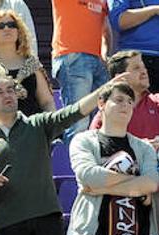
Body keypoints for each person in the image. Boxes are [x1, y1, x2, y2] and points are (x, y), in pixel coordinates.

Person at [0, 73, 126, 235]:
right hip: (10, 224)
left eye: (10, 89)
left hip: (47, 218)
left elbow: (72, 112)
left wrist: (104, 90)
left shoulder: (38, 124)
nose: (7, 95)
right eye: (0, 92)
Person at [66, 81, 159, 235]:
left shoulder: (143, 147)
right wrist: (137, 186)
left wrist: (102, 187)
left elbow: (152, 183)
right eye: (118, 100)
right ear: (101, 103)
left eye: (129, 101)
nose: (125, 105)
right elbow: (89, 175)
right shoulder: (83, 140)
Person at [51, 0, 111, 139]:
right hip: (73, 56)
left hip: (98, 61)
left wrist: (105, 53)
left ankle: (95, 160)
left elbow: (105, 29)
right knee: (78, 123)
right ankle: (78, 161)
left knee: (102, 121)